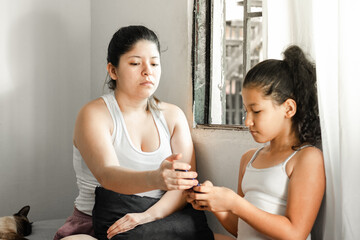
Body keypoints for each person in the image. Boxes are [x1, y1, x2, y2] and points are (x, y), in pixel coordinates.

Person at [54, 25, 213, 240]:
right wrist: (156, 178)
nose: (148, 71)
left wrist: (147, 216)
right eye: (135, 63)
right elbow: (107, 175)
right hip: (99, 224)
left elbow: (183, 186)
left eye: (155, 63)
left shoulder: (173, 116)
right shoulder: (94, 114)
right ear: (113, 70)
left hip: (158, 221)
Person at [186, 45, 325, 240]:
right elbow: (240, 228)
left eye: (256, 111)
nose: (247, 121)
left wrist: (234, 203)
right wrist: (216, 205)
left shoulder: (306, 158)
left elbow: (295, 233)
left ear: (289, 108)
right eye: (245, 111)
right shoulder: (249, 159)